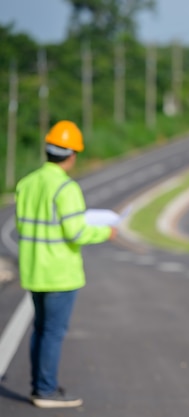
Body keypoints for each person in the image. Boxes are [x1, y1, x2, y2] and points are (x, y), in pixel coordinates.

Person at [15, 120, 117, 408]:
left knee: (40, 329)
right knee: (52, 332)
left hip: (34, 270)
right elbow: (76, 232)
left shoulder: (27, 183)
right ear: (71, 155)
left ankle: (41, 385)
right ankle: (45, 390)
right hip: (59, 273)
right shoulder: (66, 188)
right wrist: (105, 231)